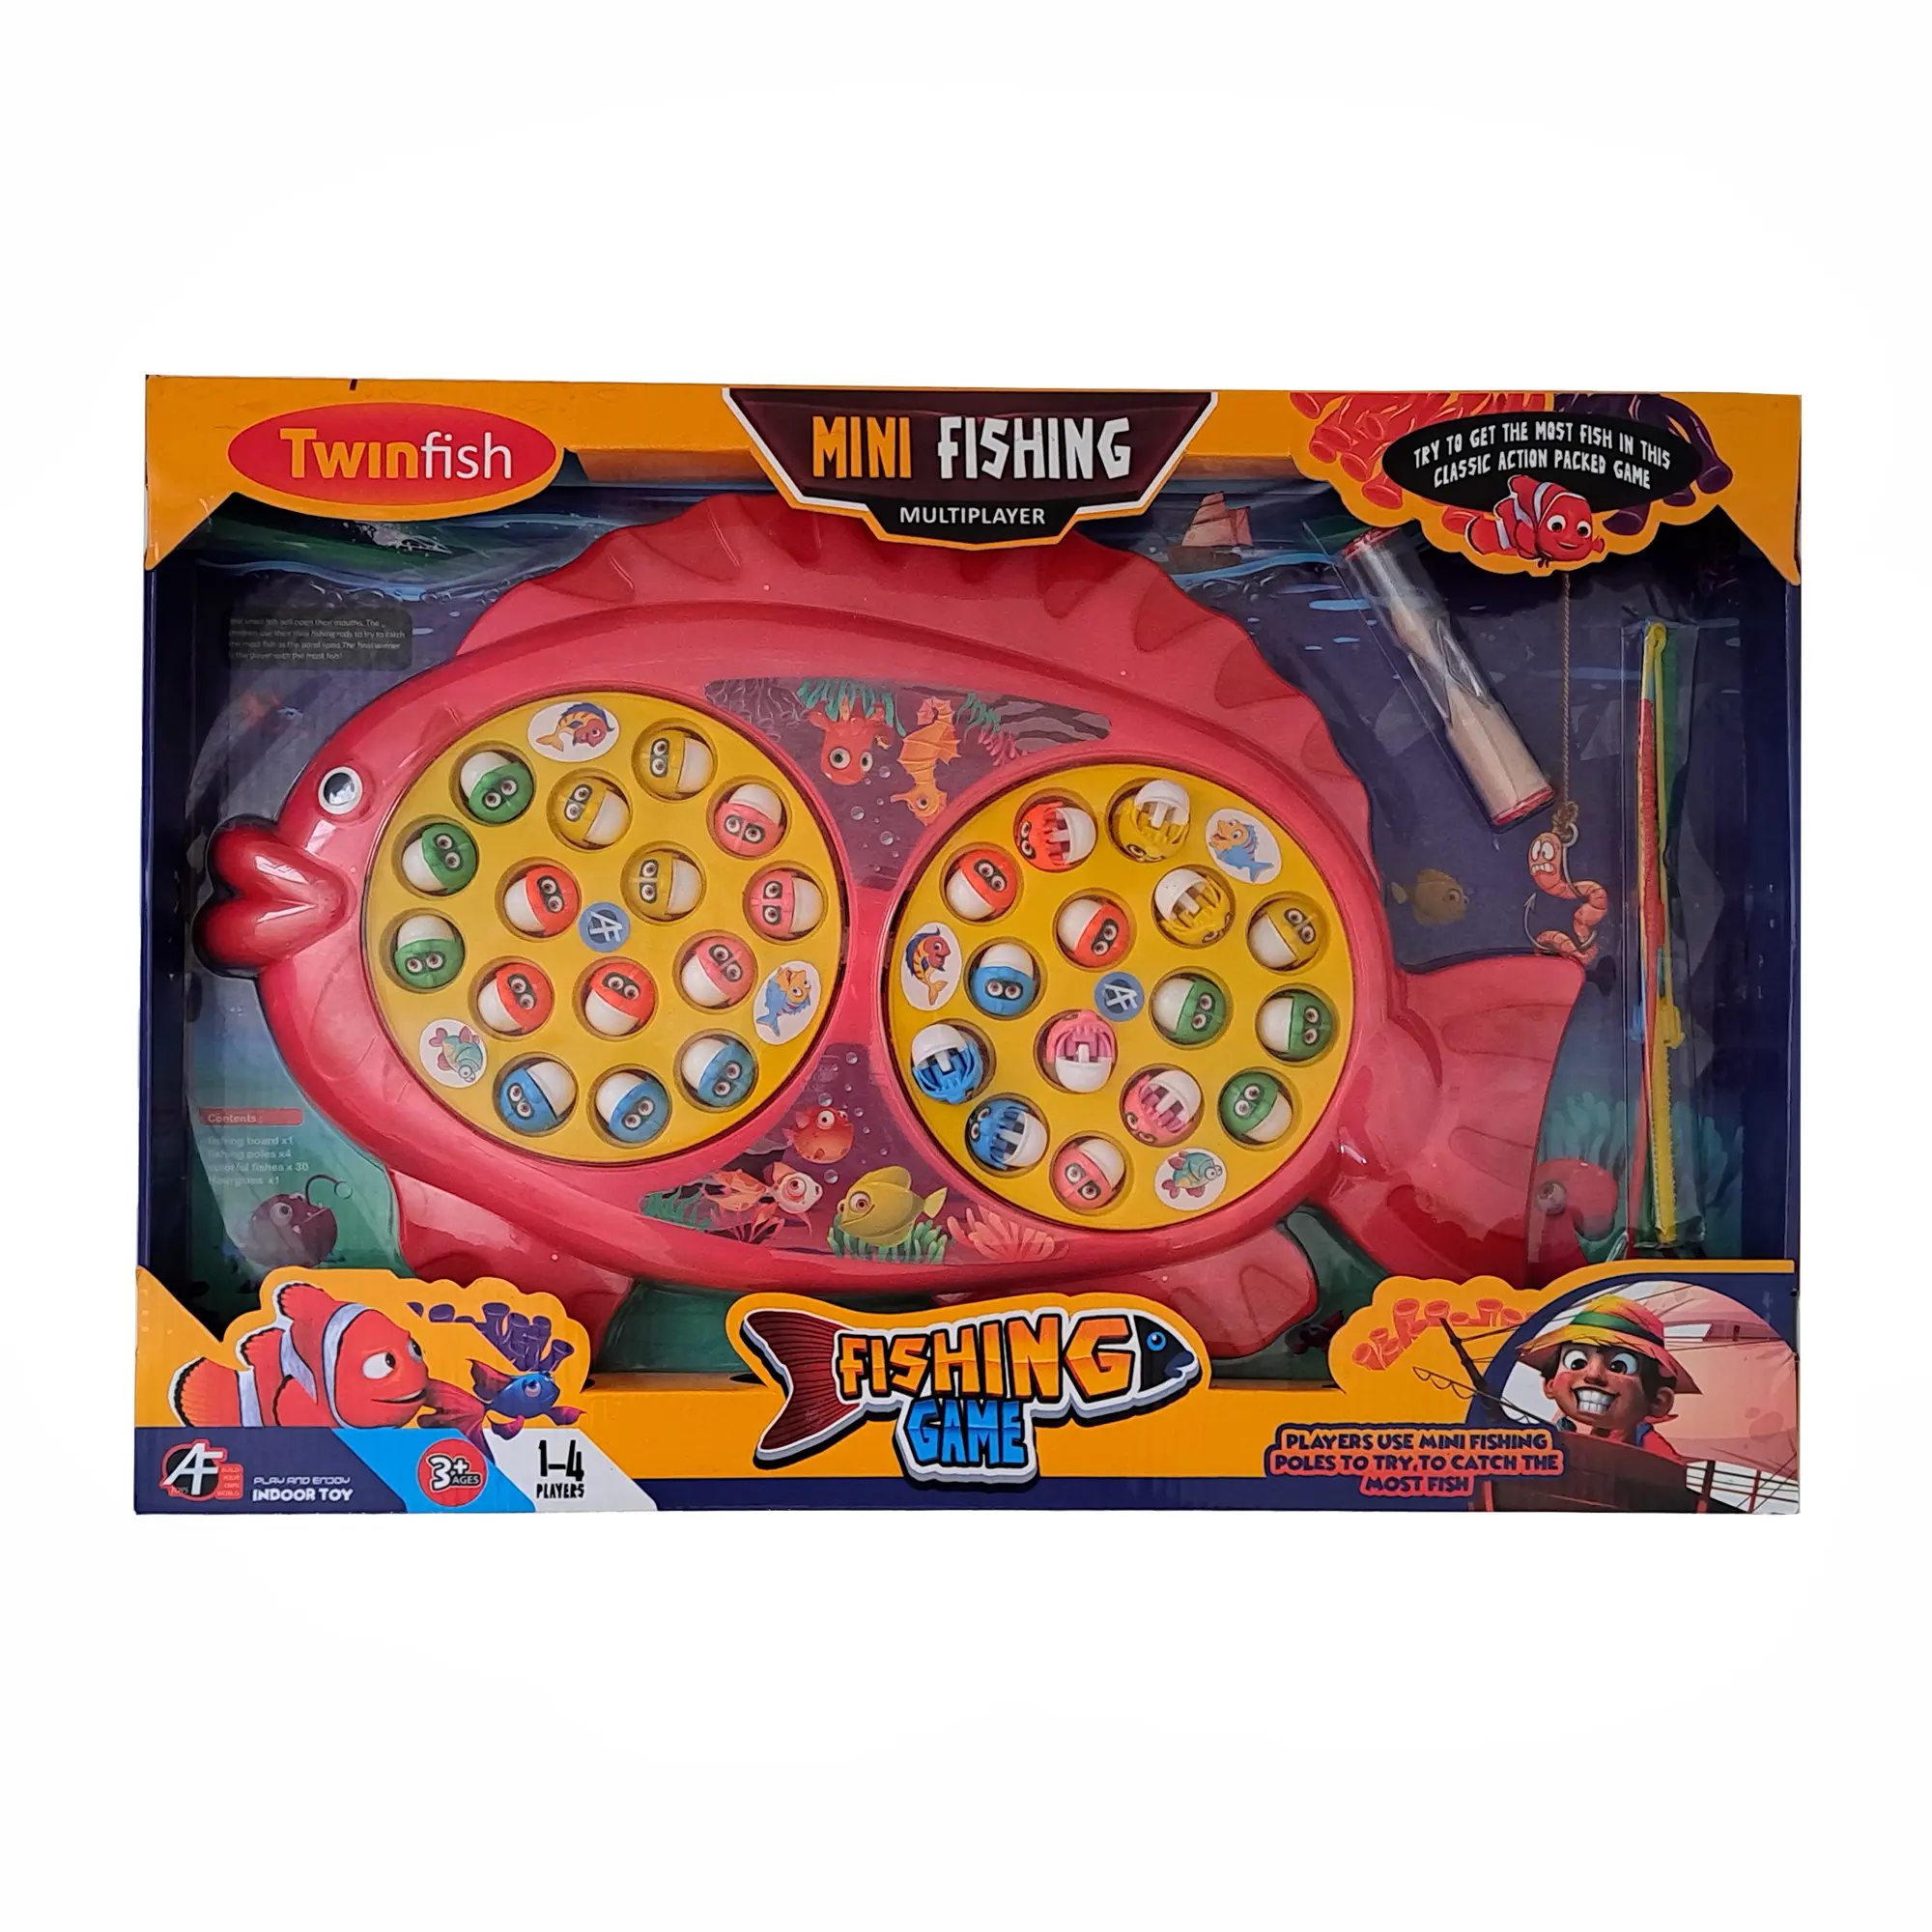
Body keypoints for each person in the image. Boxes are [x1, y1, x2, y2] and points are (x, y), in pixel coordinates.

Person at [1519, 1294, 1698, 1460]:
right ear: (1550, 1384)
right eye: (1577, 1363)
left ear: (1659, 1401)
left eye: (1619, 1367)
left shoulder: (1655, 1452)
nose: (1593, 1375)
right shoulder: (1540, 1442)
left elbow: (1668, 1475)